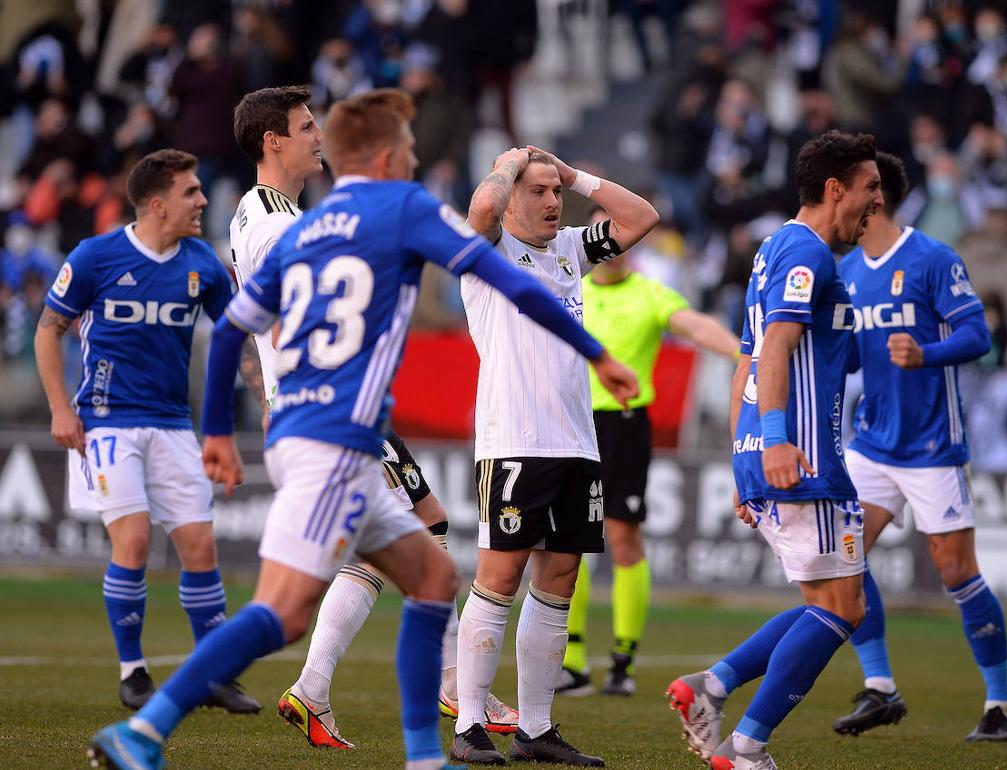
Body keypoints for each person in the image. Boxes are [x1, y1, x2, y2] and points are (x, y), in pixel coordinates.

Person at [86, 88, 638, 770]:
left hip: (327, 429)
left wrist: (221, 433)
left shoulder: (311, 226)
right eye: (407, 146)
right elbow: (516, 285)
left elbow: (232, 328)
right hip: (330, 439)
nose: (415, 155)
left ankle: (425, 751)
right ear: (383, 157)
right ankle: (144, 731)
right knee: (283, 613)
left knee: (434, 577)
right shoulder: (396, 208)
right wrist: (599, 355)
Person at [226, 85, 518, 749]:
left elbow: (253, 319)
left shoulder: (257, 215)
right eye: (304, 126)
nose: (317, 137)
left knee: (420, 531)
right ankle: (416, 688)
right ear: (274, 142)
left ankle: (335, 690)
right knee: (297, 597)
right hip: (329, 408)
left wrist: (257, 374)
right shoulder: (277, 224)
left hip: (318, 404)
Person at [667, 130, 881, 770]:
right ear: (834, 188)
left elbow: (746, 362)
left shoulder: (772, 249)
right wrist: (779, 441)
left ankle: (713, 686)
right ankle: (747, 745)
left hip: (773, 453)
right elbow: (779, 345)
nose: (876, 203)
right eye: (870, 189)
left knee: (825, 604)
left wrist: (745, 457)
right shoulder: (807, 254)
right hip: (806, 458)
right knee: (844, 608)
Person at [33, 149, 261, 716]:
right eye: (192, 192)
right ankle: (132, 672)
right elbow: (47, 331)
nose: (203, 201)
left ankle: (212, 674)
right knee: (133, 543)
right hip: (107, 422)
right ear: (158, 203)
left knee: (201, 547)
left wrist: (266, 397)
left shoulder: (203, 265)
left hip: (172, 425)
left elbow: (239, 336)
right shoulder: (95, 256)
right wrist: (61, 408)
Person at [450, 148, 659, 766]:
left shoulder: (570, 250)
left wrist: (577, 176)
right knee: (500, 577)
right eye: (537, 192)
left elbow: (641, 217)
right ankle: (468, 726)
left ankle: (535, 731)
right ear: (511, 197)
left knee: (560, 580)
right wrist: (507, 164)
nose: (551, 203)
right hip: (513, 442)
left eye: (555, 193)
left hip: (577, 443)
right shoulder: (485, 255)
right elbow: (484, 206)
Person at [834, 152, 1007, 742]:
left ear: (876, 195)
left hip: (933, 443)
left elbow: (977, 334)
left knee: (956, 571)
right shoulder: (850, 272)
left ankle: (1001, 707)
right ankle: (880, 688)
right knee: (844, 558)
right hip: (872, 442)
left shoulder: (933, 258)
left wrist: (926, 353)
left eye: (851, 193)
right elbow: (862, 354)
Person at [558, 206, 740, 697]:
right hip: (573, 424)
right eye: (601, 229)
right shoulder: (569, 288)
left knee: (621, 541)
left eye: (617, 230)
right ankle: (571, 661)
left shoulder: (650, 294)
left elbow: (696, 327)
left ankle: (623, 661)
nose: (611, 240)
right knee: (567, 543)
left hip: (624, 428)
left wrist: (748, 355)